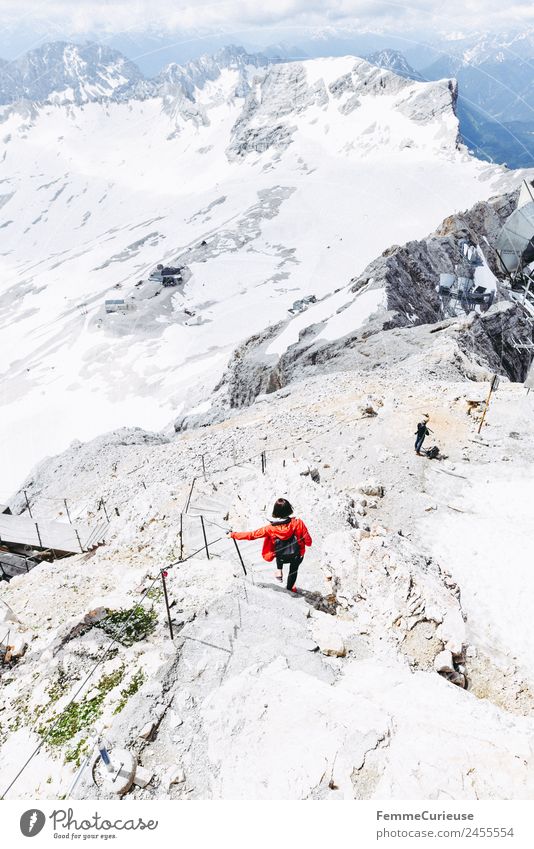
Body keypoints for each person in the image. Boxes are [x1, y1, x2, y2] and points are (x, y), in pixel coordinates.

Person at [228, 498, 312, 592]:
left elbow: (252, 535)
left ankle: (279, 570)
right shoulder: (298, 523)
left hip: (281, 557)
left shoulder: (270, 528)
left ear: (275, 511)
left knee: (279, 550)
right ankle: (290, 588)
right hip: (297, 555)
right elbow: (308, 542)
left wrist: (233, 534)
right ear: (289, 510)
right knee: (293, 570)